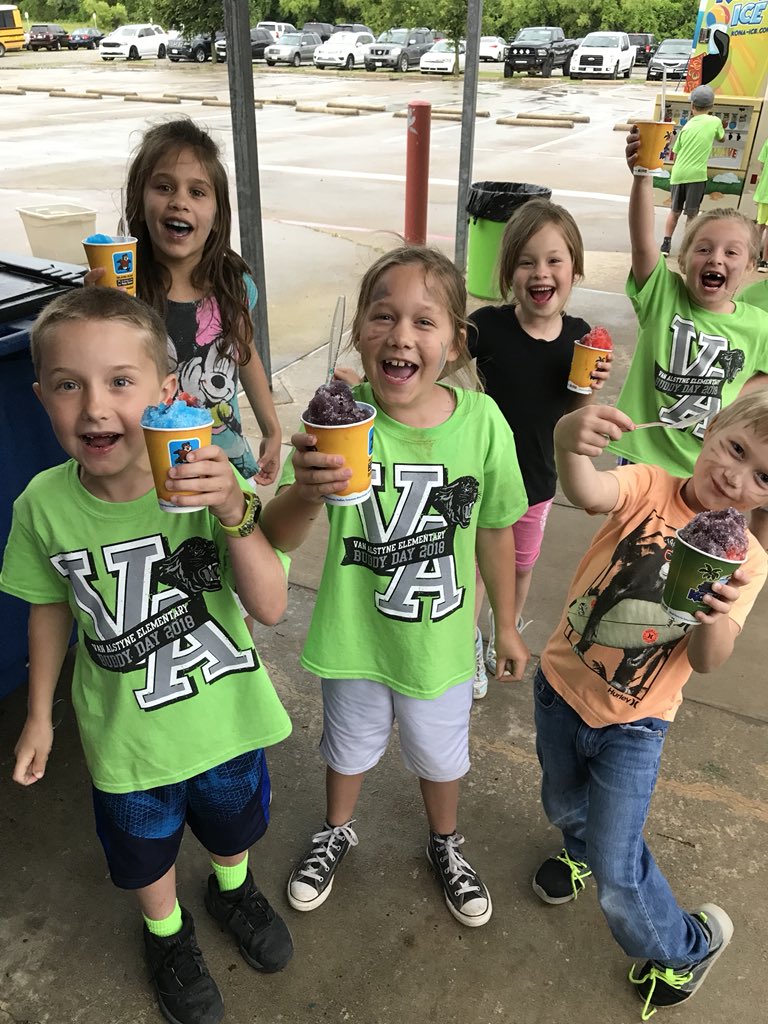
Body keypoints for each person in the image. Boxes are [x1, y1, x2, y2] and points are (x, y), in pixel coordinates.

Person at [0, 288, 293, 1024]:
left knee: (232, 829)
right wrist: (40, 716)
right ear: (41, 399)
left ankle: (233, 891)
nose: (95, 407)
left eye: (120, 381)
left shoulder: (207, 483)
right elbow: (47, 606)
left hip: (225, 722)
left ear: (167, 394)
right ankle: (166, 934)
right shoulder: (41, 505)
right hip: (126, 739)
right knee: (144, 853)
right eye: (69, 385)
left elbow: (270, 605)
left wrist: (233, 510)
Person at [260, 245, 529, 928]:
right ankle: (336, 830)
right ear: (359, 333)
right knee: (347, 748)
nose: (401, 335)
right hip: (356, 637)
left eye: (424, 321)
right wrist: (306, 490)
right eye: (383, 316)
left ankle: (446, 841)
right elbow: (278, 536)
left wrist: (505, 624)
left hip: (440, 643)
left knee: (441, 757)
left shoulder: (482, 422)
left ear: (455, 343)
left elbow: (496, 529)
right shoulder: (338, 423)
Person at [532, 392, 768, 1020]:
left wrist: (712, 615)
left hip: (635, 724)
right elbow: (589, 491)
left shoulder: (749, 562)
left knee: (619, 865)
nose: (735, 477)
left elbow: (710, 660)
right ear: (710, 428)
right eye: (735, 449)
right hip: (560, 686)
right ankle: (577, 847)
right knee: (562, 800)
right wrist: (568, 439)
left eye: (762, 477)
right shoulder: (648, 485)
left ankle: (685, 948)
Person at [88, 117, 281, 488]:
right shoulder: (125, 291)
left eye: (197, 192)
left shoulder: (232, 285)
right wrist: (93, 312)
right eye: (164, 187)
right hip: (150, 468)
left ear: (217, 214)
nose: (179, 202)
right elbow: (96, 371)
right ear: (139, 201)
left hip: (223, 461)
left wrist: (271, 428)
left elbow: (244, 352)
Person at [468, 197, 611, 699]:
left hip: (537, 482)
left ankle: (504, 628)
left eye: (554, 260)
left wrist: (591, 388)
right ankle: (469, 642)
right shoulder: (486, 327)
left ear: (575, 270)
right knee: (478, 569)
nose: (541, 272)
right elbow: (443, 375)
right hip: (483, 481)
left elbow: (575, 418)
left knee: (521, 566)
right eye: (526, 261)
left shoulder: (579, 338)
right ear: (509, 271)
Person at [609, 126, 768, 480]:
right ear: (682, 260)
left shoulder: (759, 325)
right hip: (642, 459)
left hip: (707, 467)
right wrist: (642, 177)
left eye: (731, 252)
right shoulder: (662, 295)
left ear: (750, 266)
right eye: (703, 249)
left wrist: (737, 395)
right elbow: (642, 243)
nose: (716, 258)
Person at [659, 85, 724, 257]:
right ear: (711, 106)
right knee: (692, 214)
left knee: (674, 211)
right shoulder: (715, 122)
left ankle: (665, 245)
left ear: (692, 106)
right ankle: (686, 248)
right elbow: (722, 138)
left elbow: (676, 151)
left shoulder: (686, 126)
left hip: (678, 173)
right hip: (697, 175)